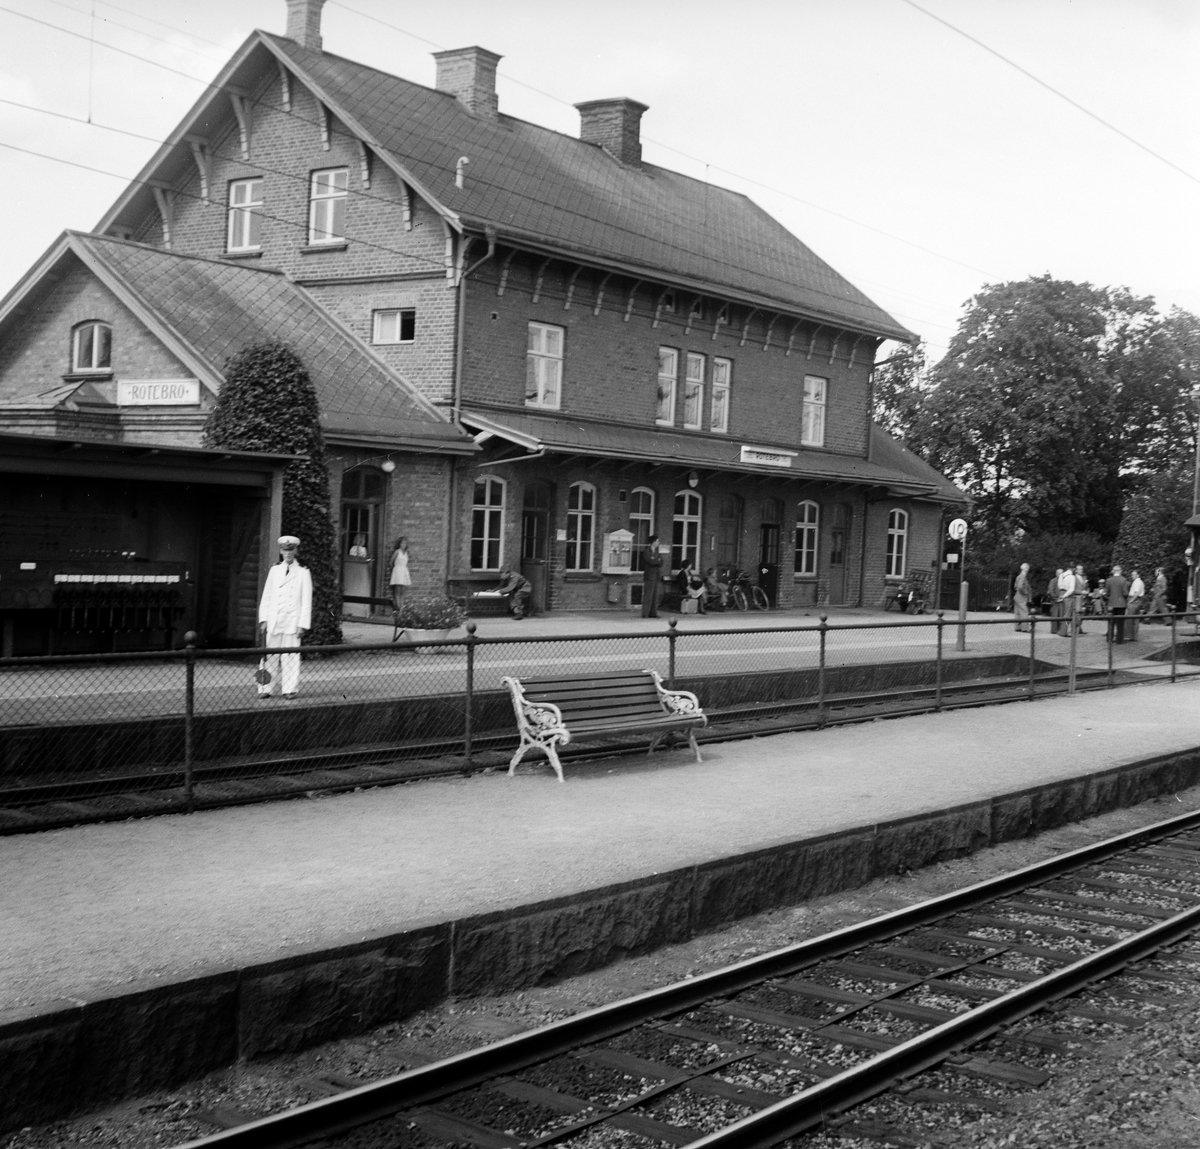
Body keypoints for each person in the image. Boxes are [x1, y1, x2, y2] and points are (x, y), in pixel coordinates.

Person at [257, 535, 312, 699]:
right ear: (281, 551)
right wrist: (264, 619)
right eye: (285, 550)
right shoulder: (274, 570)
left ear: (296, 551)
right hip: (274, 620)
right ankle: (264, 688)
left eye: (291, 550)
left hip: (292, 621)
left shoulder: (303, 572)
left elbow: (306, 600)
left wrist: (302, 624)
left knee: (291, 657)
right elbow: (266, 596)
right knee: (268, 657)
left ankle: (289, 689)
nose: (288, 553)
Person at [1104, 564, 1129, 644]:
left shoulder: (1109, 580)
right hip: (1121, 604)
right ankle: (1119, 640)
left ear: (1113, 571)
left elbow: (1106, 592)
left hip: (1111, 603)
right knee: (1120, 623)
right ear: (1120, 571)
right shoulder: (1123, 580)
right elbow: (1125, 593)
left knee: (1111, 622)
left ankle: (1109, 638)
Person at [641, 534, 664, 619]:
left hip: (656, 575)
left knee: (655, 595)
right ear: (653, 542)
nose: (658, 542)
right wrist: (657, 560)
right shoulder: (647, 552)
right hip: (649, 576)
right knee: (648, 595)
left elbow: (661, 562)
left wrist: (656, 560)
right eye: (657, 541)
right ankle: (645, 613)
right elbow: (650, 562)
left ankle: (653, 613)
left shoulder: (657, 552)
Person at [387, 536, 412, 612]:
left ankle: (401, 609)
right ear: (399, 544)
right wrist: (394, 571)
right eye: (402, 543)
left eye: (405, 543)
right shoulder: (397, 552)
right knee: (397, 592)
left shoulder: (406, 553)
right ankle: (398, 609)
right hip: (398, 571)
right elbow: (390, 562)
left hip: (404, 572)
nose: (403, 545)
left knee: (402, 592)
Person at [1013, 563, 1031, 632]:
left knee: (1017, 613)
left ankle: (1018, 627)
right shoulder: (1023, 577)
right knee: (1024, 612)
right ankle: (1025, 628)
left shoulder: (1018, 576)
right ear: (1026, 569)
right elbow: (1020, 586)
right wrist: (1025, 592)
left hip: (1017, 597)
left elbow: (1015, 586)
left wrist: (1019, 591)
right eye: (1028, 568)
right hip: (1021, 597)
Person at [1127, 569, 1145, 640]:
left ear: (1138, 575)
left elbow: (1136, 593)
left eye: (1133, 575)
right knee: (1136, 619)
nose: (1132, 576)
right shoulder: (1140, 582)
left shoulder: (1137, 582)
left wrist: (1131, 601)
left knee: (1130, 619)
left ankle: (1130, 636)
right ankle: (1135, 636)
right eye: (1132, 575)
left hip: (1134, 601)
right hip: (1139, 601)